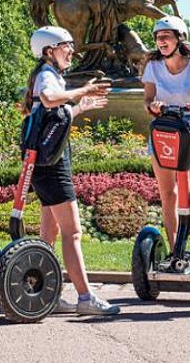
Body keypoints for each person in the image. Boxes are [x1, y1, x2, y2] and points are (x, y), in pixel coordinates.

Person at [23, 25, 120, 315]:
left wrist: (81, 107)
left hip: (45, 163)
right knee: (73, 232)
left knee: (49, 234)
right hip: (53, 167)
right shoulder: (46, 76)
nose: (72, 52)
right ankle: (85, 297)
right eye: (67, 46)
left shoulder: (50, 76)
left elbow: (54, 113)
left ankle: (44, 294)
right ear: (49, 51)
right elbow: (51, 99)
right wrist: (83, 91)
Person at [142, 15, 190, 272]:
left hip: (189, 128)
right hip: (163, 129)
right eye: (157, 37)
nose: (160, 41)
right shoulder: (153, 65)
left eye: (165, 36)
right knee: (168, 194)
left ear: (179, 38)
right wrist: (152, 107)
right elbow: (148, 100)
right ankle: (177, 251)